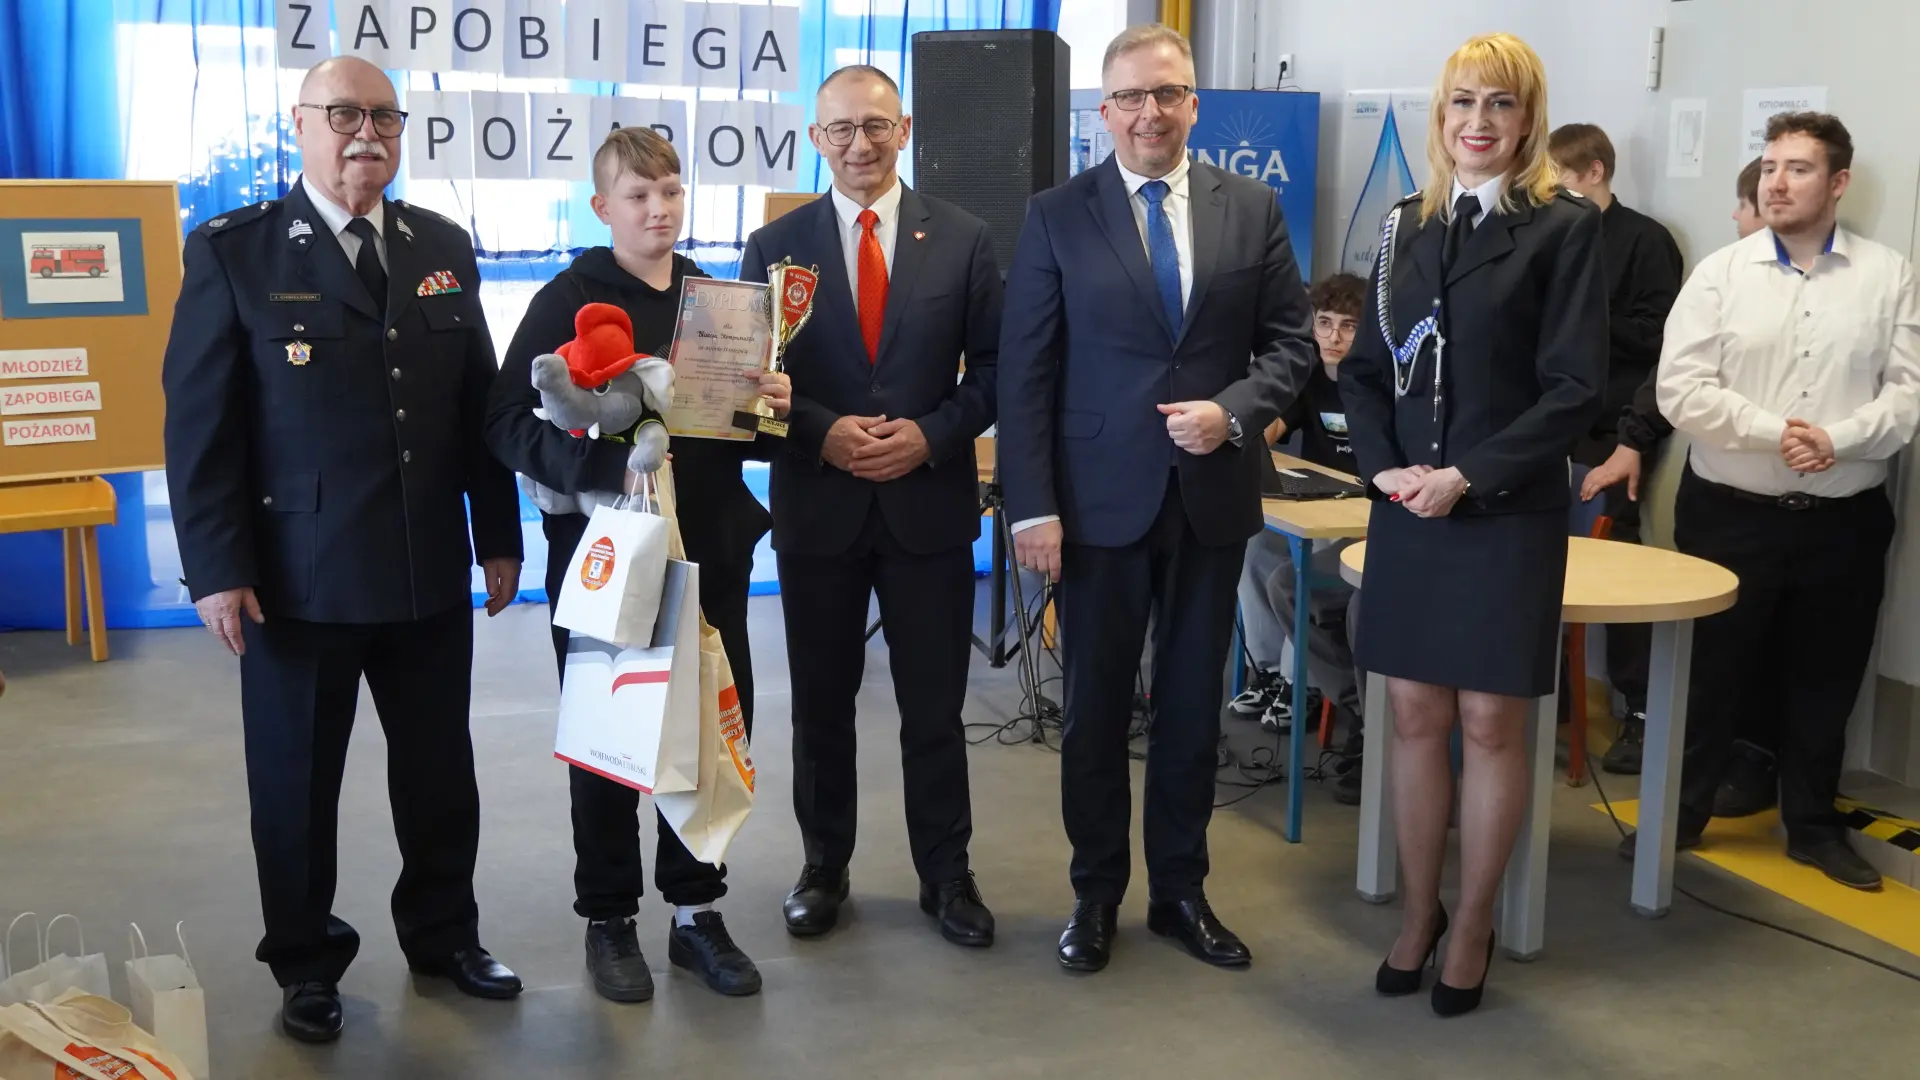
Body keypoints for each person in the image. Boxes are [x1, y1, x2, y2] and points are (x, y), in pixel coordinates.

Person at [160, 56, 524, 1043]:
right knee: (296, 784)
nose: (368, 134)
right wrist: (218, 570)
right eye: (345, 114)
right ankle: (305, 962)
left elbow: (475, 403)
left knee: (440, 774)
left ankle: (445, 936)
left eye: (385, 117)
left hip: (424, 568)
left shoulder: (439, 244)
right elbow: (199, 428)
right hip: (298, 580)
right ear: (301, 125)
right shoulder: (236, 252)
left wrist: (497, 533)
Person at [998, 23, 1315, 974]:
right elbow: (1026, 373)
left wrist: (1234, 412)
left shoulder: (1250, 208)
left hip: (1209, 499)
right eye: (1131, 97)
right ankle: (1096, 893)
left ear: (1194, 104)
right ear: (1105, 112)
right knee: (1094, 711)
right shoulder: (1057, 214)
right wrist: (1032, 507)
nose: (1150, 112)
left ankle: (1180, 891)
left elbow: (1291, 345)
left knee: (1190, 708)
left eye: (1167, 93)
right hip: (1096, 506)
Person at [484, 127, 789, 1002]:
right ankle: (609, 918)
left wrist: (774, 408)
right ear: (602, 207)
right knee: (607, 738)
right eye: (639, 195)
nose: (659, 210)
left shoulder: (716, 302)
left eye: (671, 192)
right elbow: (505, 421)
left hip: (711, 551)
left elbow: (747, 433)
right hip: (606, 559)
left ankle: (697, 912)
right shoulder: (568, 297)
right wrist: (596, 469)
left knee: (709, 731)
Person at [1339, 33, 1605, 1016]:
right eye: (1462, 102)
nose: (1479, 122)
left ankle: (1473, 924)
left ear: (1528, 119)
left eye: (1500, 103)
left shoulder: (1562, 229)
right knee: (1413, 716)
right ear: (1440, 115)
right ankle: (1419, 913)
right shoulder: (1405, 225)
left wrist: (1468, 476)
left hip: (1503, 512)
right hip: (1412, 507)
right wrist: (1384, 470)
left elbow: (1574, 387)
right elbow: (1366, 370)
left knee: (1491, 723)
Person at [739, 65, 1002, 947]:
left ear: (906, 129)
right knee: (821, 705)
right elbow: (752, 386)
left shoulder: (963, 238)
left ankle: (947, 873)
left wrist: (930, 435)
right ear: (816, 139)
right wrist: (820, 433)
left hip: (928, 509)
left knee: (935, 709)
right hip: (819, 509)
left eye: (877, 126)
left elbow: (996, 371)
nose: (860, 144)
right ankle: (823, 867)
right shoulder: (774, 247)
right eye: (842, 129)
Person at [1627, 112, 1920, 891]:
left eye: (1798, 168)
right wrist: (1777, 432)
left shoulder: (1888, 275)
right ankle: (1680, 814)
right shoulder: (1720, 274)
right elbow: (1680, 389)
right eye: (1769, 168)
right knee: (1710, 673)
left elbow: (1907, 393)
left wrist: (1837, 439)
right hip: (1731, 514)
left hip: (1844, 521)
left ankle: (1814, 829)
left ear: (1839, 182)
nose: (1777, 183)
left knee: (1827, 679)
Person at [1585, 155, 1784, 814]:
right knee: (1723, 640)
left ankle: (1763, 770)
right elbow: (1673, 375)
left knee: (1779, 647)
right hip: (1719, 490)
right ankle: (1697, 784)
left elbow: (1651, 350)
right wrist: (1633, 440)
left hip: (1809, 498)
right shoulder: (1722, 279)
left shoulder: (1646, 242)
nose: (1735, 216)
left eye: (1743, 206)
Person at [1547, 122, 1682, 764]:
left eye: (1559, 177)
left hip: (1614, 427)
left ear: (1594, 172)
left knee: (1617, 561)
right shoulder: (1551, 235)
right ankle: (1549, 692)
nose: (1549, 191)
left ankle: (1641, 709)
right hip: (1555, 422)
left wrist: (1585, 313)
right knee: (1541, 555)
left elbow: (1660, 338)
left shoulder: (1645, 241)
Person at [1231, 273, 1366, 739]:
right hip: (1320, 502)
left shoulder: (1377, 380)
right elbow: (1273, 426)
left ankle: (1301, 684)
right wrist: (1248, 434)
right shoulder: (1309, 374)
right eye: (1324, 323)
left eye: (1348, 326)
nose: (1333, 337)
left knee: (1302, 570)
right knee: (1255, 546)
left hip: (1362, 515)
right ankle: (1269, 672)